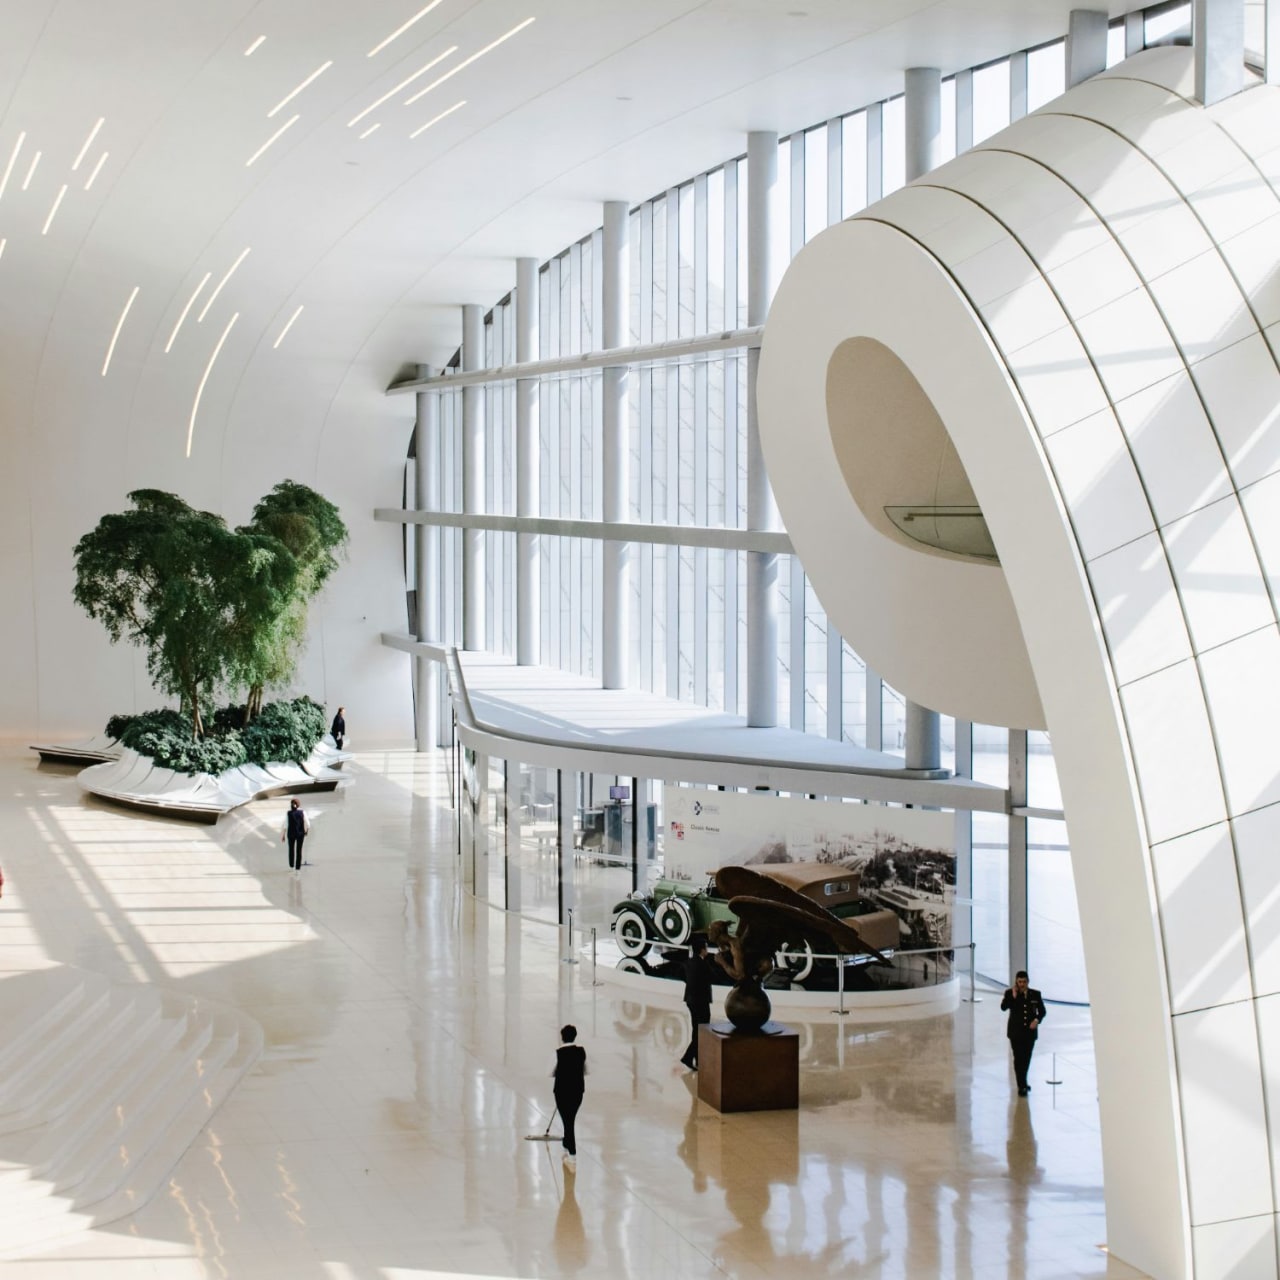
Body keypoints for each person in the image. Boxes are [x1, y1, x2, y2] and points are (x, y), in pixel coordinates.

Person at [1001, 970, 1047, 1096]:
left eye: (1024, 982)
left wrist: (1037, 1020)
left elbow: (1042, 1011)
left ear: (1028, 982)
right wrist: (1013, 997)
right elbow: (1003, 1007)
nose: (1021, 984)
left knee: (1026, 1058)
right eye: (1019, 982)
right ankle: (1021, 1085)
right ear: (1016, 981)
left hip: (1029, 1033)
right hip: (1015, 1033)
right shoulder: (1010, 993)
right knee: (1018, 1058)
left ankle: (1023, 1081)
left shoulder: (1035, 994)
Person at [551, 1024, 587, 1167]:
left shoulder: (557, 1053)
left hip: (561, 1091)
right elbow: (587, 1069)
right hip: (577, 1091)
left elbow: (549, 1072)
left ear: (562, 1037)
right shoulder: (581, 1052)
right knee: (569, 1119)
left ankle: (572, 1154)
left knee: (568, 1121)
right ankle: (566, 1144)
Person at [680, 934, 714, 1071]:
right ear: (701, 950)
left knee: (696, 1030)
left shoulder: (688, 962)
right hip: (701, 1001)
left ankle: (698, 1060)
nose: (707, 950)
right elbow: (713, 977)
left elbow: (682, 975)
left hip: (690, 1000)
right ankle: (688, 1057)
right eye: (706, 948)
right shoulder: (703, 964)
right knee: (702, 1030)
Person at [281, 798, 310, 873]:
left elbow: (285, 825)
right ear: (298, 804)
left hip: (290, 834)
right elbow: (308, 824)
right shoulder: (302, 812)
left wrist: (283, 835)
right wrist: (306, 831)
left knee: (291, 850)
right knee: (299, 851)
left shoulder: (288, 813)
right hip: (300, 834)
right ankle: (298, 869)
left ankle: (291, 867)